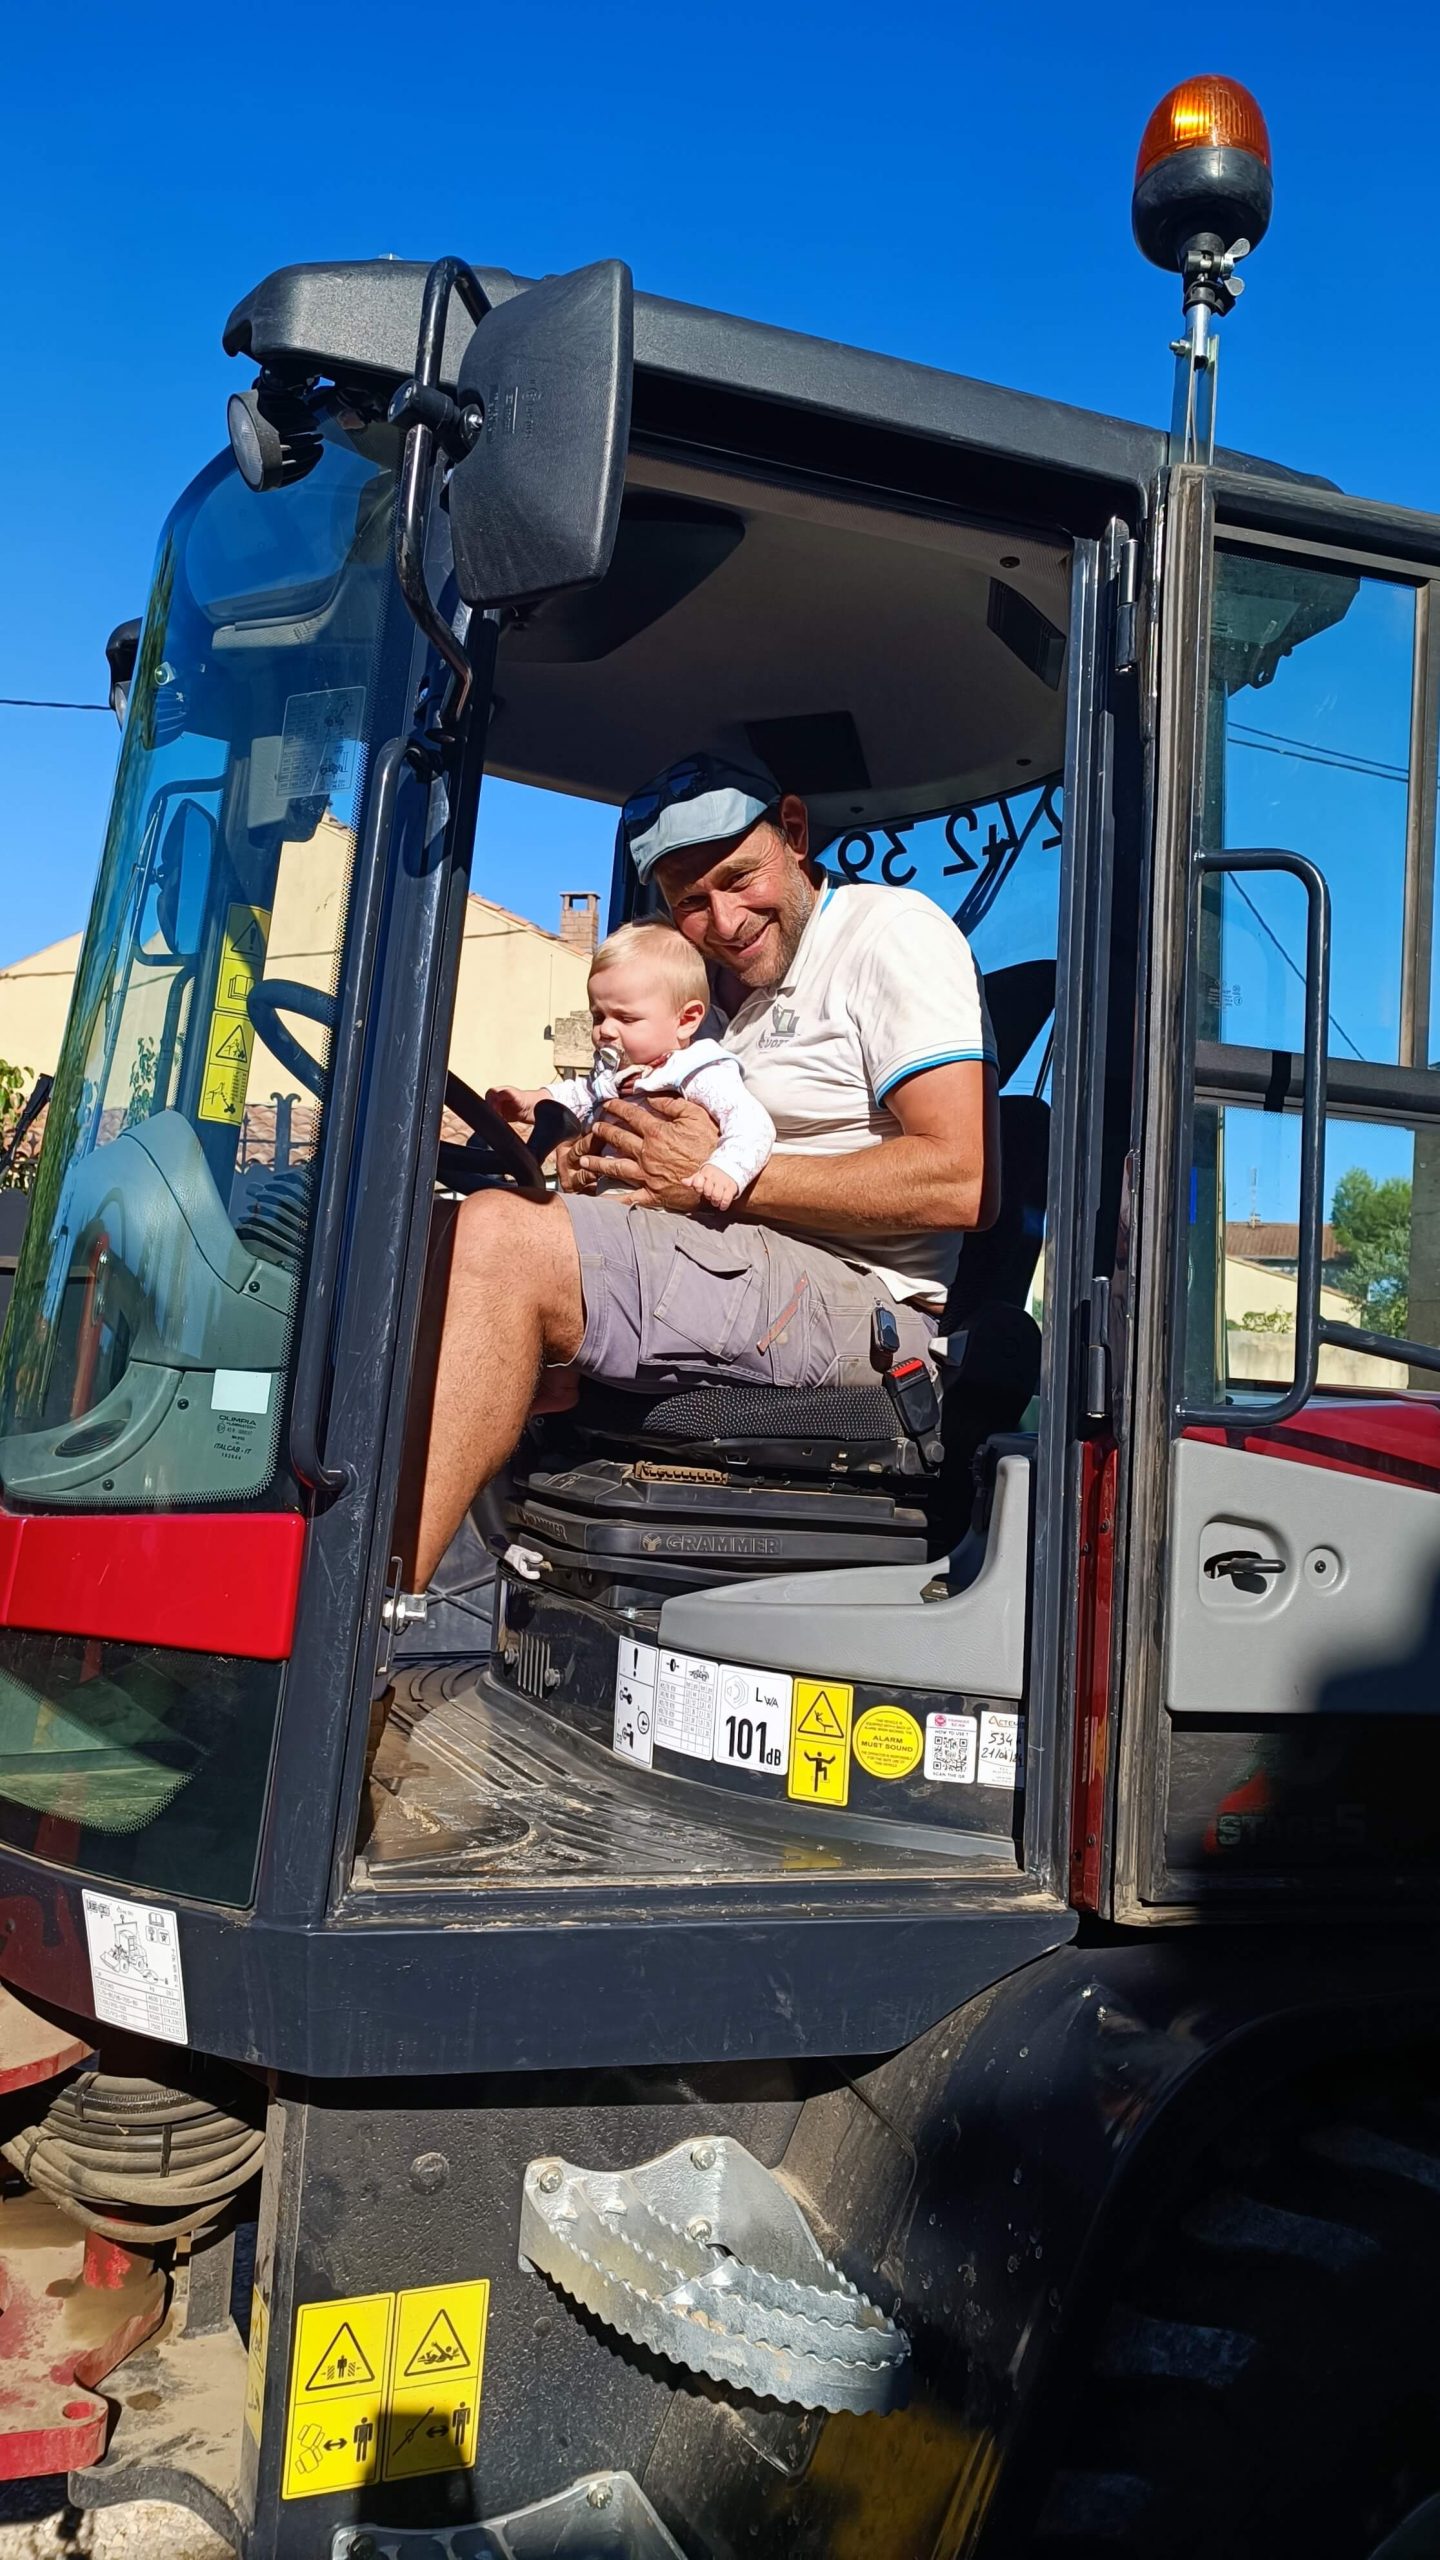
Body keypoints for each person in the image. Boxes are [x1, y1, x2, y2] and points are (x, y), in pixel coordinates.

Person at [410, 745, 999, 1588]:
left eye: (740, 876)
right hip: (732, 1258)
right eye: (691, 901)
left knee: (501, 1243)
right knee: (432, 1230)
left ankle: (368, 1632)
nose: (723, 920)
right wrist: (589, 1157)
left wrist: (729, 1178)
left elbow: (963, 1181)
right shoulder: (712, 1000)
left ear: (794, 834)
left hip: (862, 1300)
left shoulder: (891, 937)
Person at [488, 917, 775, 1212]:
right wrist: (531, 1103)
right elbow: (577, 1095)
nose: (606, 1030)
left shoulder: (696, 1070)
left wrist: (726, 1169)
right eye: (599, 1016)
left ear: (686, 1021)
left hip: (669, 1215)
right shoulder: (614, 1075)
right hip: (613, 1205)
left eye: (626, 1019)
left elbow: (751, 1121)